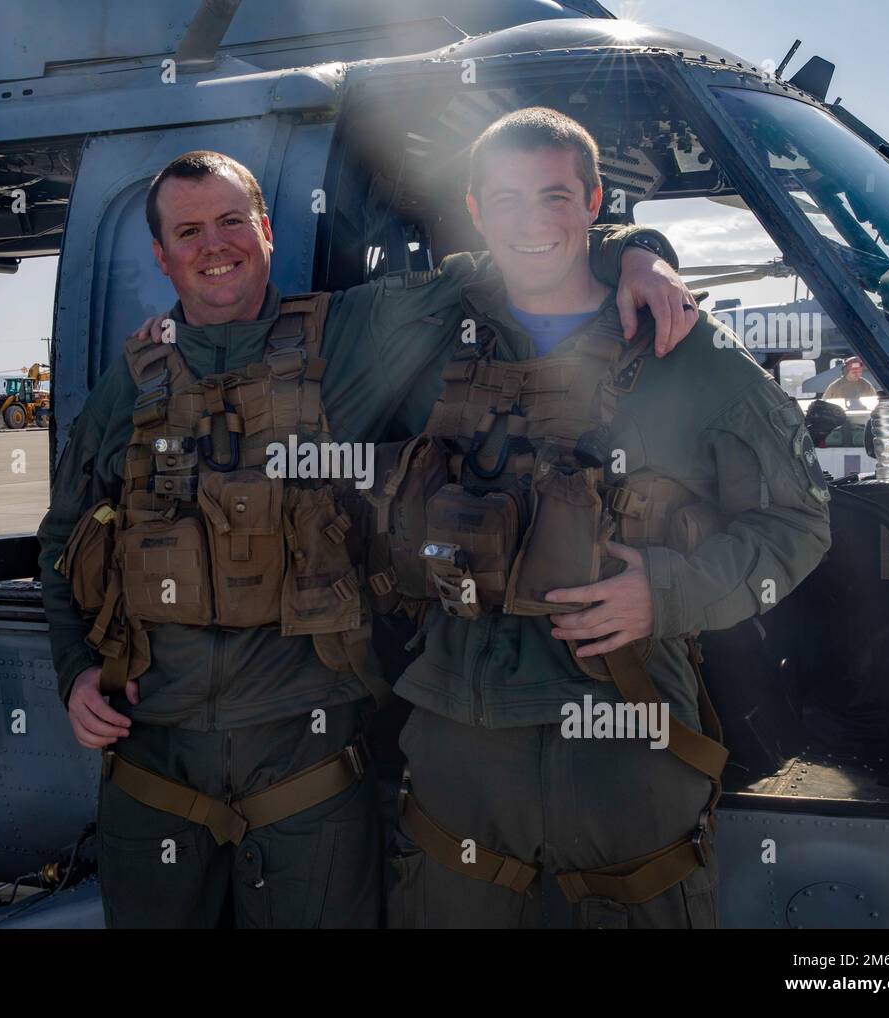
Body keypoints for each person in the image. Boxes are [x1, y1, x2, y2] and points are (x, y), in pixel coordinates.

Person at [37, 149, 692, 928]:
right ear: (162, 256)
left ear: (266, 231)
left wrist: (638, 252)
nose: (214, 245)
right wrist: (76, 672)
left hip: (306, 770)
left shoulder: (342, 338)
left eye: (230, 221)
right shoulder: (132, 385)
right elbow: (61, 542)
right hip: (151, 767)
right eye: (188, 231)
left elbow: (512, 256)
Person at [375, 108, 832, 928]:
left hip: (629, 742)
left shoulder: (686, 347)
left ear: (592, 204)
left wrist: (669, 594)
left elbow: (798, 523)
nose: (530, 223)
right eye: (505, 200)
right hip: (460, 740)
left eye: (554, 196)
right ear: (476, 210)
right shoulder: (438, 331)